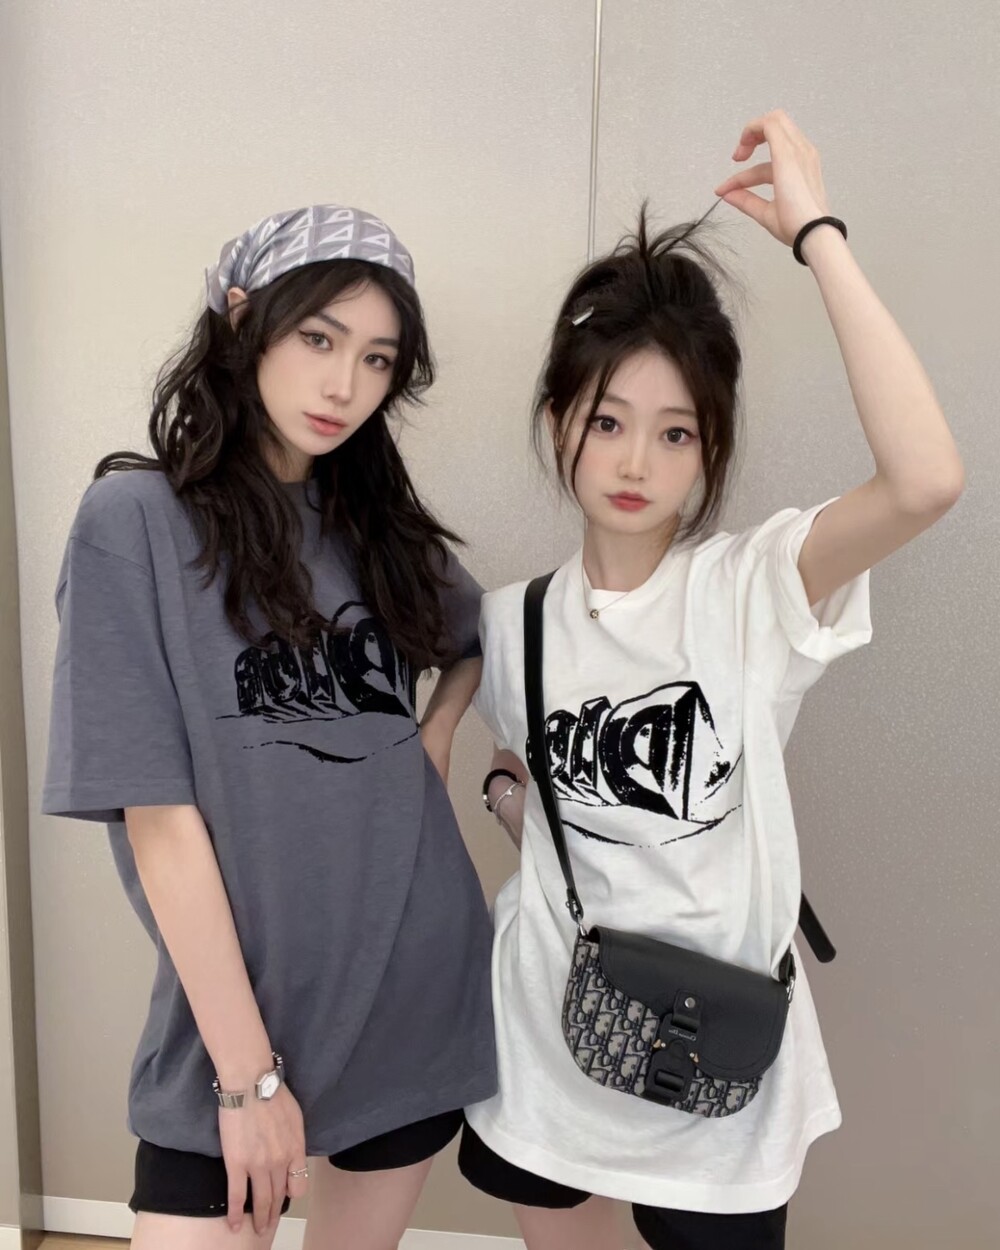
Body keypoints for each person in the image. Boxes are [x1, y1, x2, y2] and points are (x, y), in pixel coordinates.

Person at [460, 112, 964, 1250]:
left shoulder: (751, 588)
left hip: (714, 1056)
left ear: (711, 448)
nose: (636, 461)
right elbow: (514, 752)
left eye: (677, 433)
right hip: (550, 1031)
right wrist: (506, 797)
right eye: (608, 421)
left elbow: (926, 479)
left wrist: (818, 234)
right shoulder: (511, 621)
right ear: (560, 421)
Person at [42, 205, 496, 1250]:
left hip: (412, 973)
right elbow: (159, 823)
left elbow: (487, 637)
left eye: (377, 359)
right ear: (244, 320)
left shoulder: (376, 532)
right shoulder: (133, 524)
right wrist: (246, 1080)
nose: (344, 385)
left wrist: (433, 737)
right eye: (319, 338)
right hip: (236, 1015)